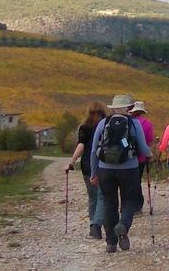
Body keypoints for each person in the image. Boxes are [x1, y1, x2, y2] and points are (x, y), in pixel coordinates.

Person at [90, 94, 153, 253]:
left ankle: (111, 243)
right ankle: (123, 224)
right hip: (129, 168)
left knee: (109, 203)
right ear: (129, 108)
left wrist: (94, 172)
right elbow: (143, 147)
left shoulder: (103, 123)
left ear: (113, 108)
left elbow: (93, 151)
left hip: (105, 169)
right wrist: (150, 155)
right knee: (129, 200)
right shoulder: (134, 123)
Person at [65, 102, 107, 240]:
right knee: (102, 196)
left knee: (93, 197)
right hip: (104, 164)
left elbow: (81, 146)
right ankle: (98, 224)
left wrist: (71, 162)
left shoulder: (84, 128)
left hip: (87, 166)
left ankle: (93, 226)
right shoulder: (107, 125)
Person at [128, 101, 155, 214]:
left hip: (127, 157)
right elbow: (149, 141)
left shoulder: (127, 122)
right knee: (137, 180)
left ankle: (127, 204)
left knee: (128, 181)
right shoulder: (147, 124)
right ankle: (138, 205)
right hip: (141, 158)